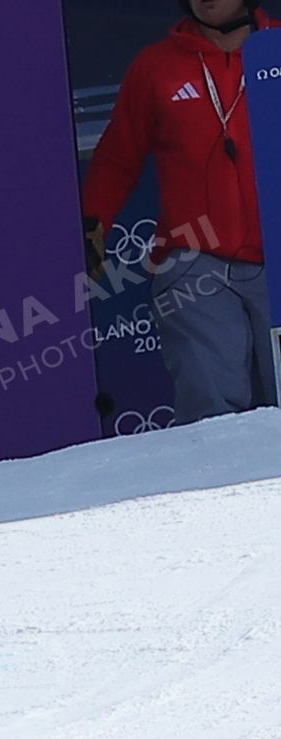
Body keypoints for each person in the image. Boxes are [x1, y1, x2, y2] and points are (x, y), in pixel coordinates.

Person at [83, 0, 279, 422]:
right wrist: (93, 221)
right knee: (212, 413)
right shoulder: (156, 66)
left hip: (277, 253)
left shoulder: (276, 47)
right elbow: (119, 156)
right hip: (194, 260)